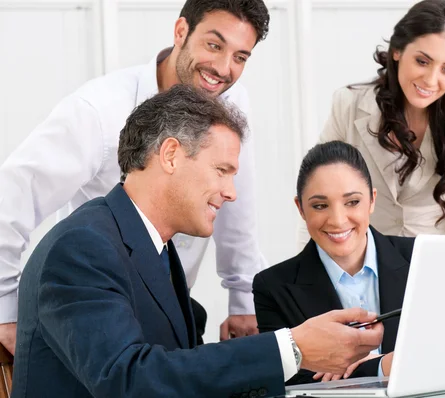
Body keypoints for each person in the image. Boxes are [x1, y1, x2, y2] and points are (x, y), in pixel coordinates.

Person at [11, 86, 384, 398]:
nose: (231, 192)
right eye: (222, 171)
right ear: (171, 155)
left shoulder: (154, 246)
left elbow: (181, 372)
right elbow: (128, 381)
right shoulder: (82, 248)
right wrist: (293, 348)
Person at [0, 0, 271, 354]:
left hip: (170, 305)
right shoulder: (99, 110)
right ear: (180, 31)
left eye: (240, 57)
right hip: (95, 308)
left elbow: (238, 208)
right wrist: (5, 308)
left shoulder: (232, 102)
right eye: (214, 45)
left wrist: (243, 298)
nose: (223, 68)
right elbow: (13, 197)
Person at [254, 141, 445, 385]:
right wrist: (389, 365)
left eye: (352, 202)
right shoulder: (274, 287)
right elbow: (284, 383)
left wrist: (379, 366)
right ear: (300, 208)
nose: (338, 220)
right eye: (320, 206)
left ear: (372, 200)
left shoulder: (430, 260)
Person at [299, 0, 445, 249]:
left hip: (441, 261)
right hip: (366, 262)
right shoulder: (349, 103)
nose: (431, 80)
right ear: (397, 51)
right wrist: (304, 273)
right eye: (422, 61)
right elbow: (316, 189)